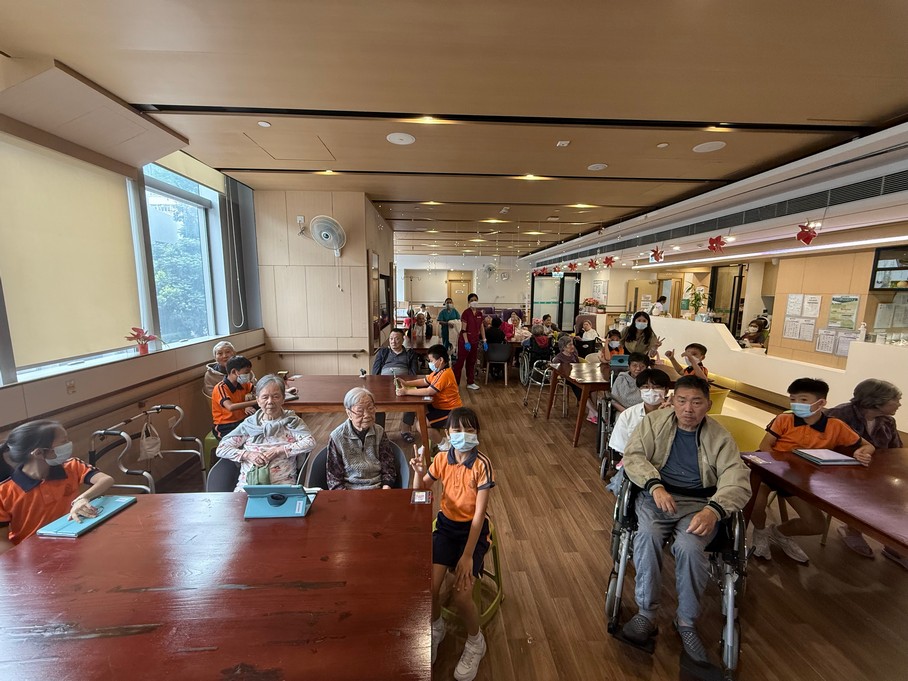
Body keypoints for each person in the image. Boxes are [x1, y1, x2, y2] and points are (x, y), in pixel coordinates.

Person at [620, 376, 750, 665]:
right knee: (647, 536)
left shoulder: (720, 437)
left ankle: (686, 621)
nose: (688, 409)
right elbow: (634, 456)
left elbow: (736, 478)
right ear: (672, 401)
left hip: (700, 504)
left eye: (696, 402)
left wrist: (714, 510)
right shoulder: (654, 423)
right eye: (681, 401)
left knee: (690, 548)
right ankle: (646, 613)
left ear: (708, 405)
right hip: (657, 496)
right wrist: (654, 486)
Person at [749, 378, 875, 563]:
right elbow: (765, 445)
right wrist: (778, 466)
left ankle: (778, 533)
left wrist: (862, 452)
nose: (796, 404)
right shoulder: (784, 419)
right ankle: (759, 533)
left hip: (800, 480)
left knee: (816, 525)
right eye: (792, 399)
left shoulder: (835, 426)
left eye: (803, 400)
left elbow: (867, 445)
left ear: (821, 403)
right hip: (770, 472)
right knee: (755, 504)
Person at [410, 407, 494, 679]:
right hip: (446, 527)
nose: (463, 435)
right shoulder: (441, 458)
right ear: (447, 433)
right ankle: (437, 627)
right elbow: (420, 491)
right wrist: (419, 472)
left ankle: (476, 641)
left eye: (470, 430)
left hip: (473, 532)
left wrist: (467, 556)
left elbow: (479, 516)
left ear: (477, 433)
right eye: (457, 430)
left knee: (461, 595)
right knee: (429, 588)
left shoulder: (482, 464)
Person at [0, 420, 115, 553]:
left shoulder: (72, 466)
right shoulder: (4, 492)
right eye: (63, 442)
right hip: (34, 554)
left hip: (72, 543)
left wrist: (83, 498)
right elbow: (1, 540)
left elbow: (106, 480)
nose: (69, 444)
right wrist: (17, 560)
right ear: (38, 453)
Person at [826, 379, 905, 567]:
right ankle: (852, 530)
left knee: (898, 491)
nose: (899, 404)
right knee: (867, 489)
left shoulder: (887, 421)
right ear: (877, 401)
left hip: (874, 472)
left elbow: (895, 451)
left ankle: (893, 540)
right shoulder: (839, 415)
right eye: (895, 399)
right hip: (839, 471)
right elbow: (822, 445)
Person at [216, 375, 316, 492]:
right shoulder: (250, 425)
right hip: (248, 486)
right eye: (265, 397)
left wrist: (279, 450)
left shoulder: (292, 421)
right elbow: (222, 449)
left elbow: (310, 442)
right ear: (258, 400)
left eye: (276, 396)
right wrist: (248, 455)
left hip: (283, 485)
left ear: (283, 399)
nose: (270, 402)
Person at [326, 388, 398, 490]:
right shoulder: (337, 437)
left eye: (370, 408)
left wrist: (385, 489)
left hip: (378, 488)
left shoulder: (379, 432)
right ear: (349, 413)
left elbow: (388, 467)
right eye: (360, 411)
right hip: (349, 491)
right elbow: (334, 479)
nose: (367, 415)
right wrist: (346, 497)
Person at [396, 345, 463, 447]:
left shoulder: (445, 374)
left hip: (450, 411)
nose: (430, 363)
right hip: (440, 406)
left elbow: (428, 391)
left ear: (441, 360)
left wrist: (406, 392)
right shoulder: (438, 371)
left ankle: (444, 444)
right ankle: (432, 442)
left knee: (420, 425)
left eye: (431, 361)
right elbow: (424, 381)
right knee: (422, 412)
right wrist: (406, 383)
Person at [609, 369, 673, 455]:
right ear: (639, 390)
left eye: (656, 387)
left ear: (666, 390)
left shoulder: (675, 415)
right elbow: (622, 447)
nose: (651, 391)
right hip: (635, 459)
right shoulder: (628, 415)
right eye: (646, 387)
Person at [372, 328, 420, 443]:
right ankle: (380, 433)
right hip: (383, 383)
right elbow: (375, 371)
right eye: (391, 339)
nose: (393, 341)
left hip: (403, 382)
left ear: (403, 339)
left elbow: (413, 372)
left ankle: (405, 430)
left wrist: (406, 383)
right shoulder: (383, 352)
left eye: (397, 339)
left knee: (412, 401)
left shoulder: (410, 353)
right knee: (378, 404)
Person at [211, 355, 259, 439]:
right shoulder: (221, 388)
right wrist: (257, 401)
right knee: (239, 441)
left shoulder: (243, 384)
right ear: (234, 371)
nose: (248, 375)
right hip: (225, 426)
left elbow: (258, 389)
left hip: (241, 420)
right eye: (246, 373)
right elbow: (230, 407)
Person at [554, 336, 598, 422]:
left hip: (578, 376)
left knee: (593, 387)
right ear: (563, 347)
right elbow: (557, 371)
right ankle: (595, 412)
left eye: (572, 344)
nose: (572, 346)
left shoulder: (574, 355)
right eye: (570, 345)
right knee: (580, 389)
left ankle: (591, 412)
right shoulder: (558, 358)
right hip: (567, 379)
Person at [452, 293, 487, 391]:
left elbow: (481, 327)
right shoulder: (466, 313)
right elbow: (463, 330)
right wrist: (466, 342)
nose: (474, 302)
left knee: (471, 362)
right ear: (468, 302)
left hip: (475, 341)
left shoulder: (479, 314)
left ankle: (470, 382)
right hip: (464, 341)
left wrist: (484, 340)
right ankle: (455, 384)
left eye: (475, 300)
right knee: (460, 362)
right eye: (472, 300)